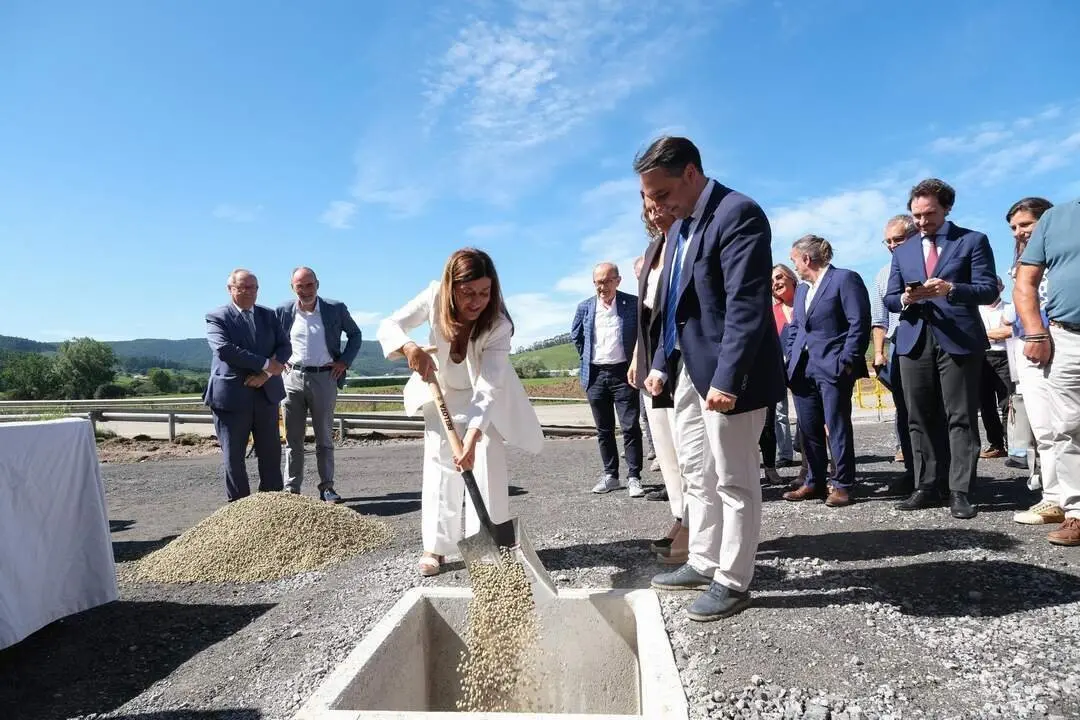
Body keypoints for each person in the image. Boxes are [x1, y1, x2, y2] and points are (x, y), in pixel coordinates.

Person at [638, 136, 785, 622]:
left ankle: (734, 580)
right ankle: (702, 560)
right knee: (697, 472)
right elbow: (676, 306)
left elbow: (746, 305)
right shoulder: (680, 228)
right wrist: (661, 363)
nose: (656, 206)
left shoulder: (738, 214)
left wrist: (728, 379)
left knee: (735, 479)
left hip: (728, 375)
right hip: (688, 371)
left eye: (660, 194)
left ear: (691, 174)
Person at [376, 248, 544, 575]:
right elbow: (390, 324)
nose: (476, 301)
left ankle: (488, 546)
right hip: (440, 389)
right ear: (451, 287)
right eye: (467, 293)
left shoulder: (499, 324)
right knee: (441, 464)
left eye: (484, 293)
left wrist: (473, 434)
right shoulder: (434, 295)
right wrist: (409, 347)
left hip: (483, 395)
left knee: (486, 458)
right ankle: (437, 548)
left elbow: (490, 385)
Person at [884, 178, 998, 520]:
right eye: (916, 215)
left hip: (959, 339)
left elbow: (988, 289)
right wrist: (906, 296)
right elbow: (890, 298)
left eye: (929, 214)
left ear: (947, 208)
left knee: (960, 416)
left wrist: (950, 288)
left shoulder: (972, 241)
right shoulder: (903, 251)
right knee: (917, 415)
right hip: (914, 338)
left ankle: (960, 489)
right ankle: (925, 484)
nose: (921, 221)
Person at [782, 235, 871, 508]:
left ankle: (842, 484)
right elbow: (797, 326)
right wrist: (791, 352)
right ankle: (814, 481)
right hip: (802, 369)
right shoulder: (801, 290)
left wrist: (846, 360)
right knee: (808, 428)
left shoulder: (845, 279)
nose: (793, 265)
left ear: (806, 258)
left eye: (794, 260)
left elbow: (859, 323)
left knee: (837, 426)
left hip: (832, 367)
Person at [1014, 195, 1080, 546]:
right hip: (1067, 337)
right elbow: (1025, 281)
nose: (1018, 232)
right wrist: (1036, 331)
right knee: (1068, 427)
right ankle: (1076, 511)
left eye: (1023, 224)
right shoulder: (1057, 220)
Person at [629, 194, 689, 565]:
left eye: (661, 205)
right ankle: (681, 517)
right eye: (650, 211)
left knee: (688, 445)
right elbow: (646, 313)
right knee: (664, 443)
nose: (656, 214)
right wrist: (639, 354)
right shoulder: (653, 250)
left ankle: (696, 525)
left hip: (681, 352)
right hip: (653, 352)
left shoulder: (687, 242)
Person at [276, 266, 363, 503]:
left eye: (309, 285)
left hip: (325, 377)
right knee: (293, 439)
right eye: (299, 286)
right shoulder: (283, 311)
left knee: (324, 437)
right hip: (292, 378)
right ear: (292, 287)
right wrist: (277, 360)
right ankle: (291, 490)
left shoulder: (335, 309)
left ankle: (327, 488)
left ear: (318, 284)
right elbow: (273, 339)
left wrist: (344, 361)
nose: (305, 290)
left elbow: (355, 335)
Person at [204, 269, 290, 502]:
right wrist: (265, 363)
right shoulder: (217, 317)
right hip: (231, 397)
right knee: (234, 457)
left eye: (253, 287)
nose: (249, 292)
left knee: (271, 454)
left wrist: (266, 374)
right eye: (242, 287)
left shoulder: (269, 316)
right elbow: (224, 349)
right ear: (230, 289)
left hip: (265, 394)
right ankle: (239, 510)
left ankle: (272, 504)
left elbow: (284, 347)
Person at [1003, 197, 1062, 525]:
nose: (1018, 232)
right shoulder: (1021, 263)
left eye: (1025, 224)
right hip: (1029, 350)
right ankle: (1054, 497)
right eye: (1013, 227)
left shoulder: (1063, 258)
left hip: (1061, 343)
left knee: (1068, 425)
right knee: (1044, 428)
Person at [571, 262, 644, 496]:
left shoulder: (632, 304)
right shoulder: (585, 307)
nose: (602, 287)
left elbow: (643, 335)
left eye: (606, 281)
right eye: (598, 282)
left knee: (630, 426)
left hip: (624, 374)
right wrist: (588, 359)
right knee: (604, 430)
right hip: (595, 376)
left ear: (618, 281)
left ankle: (634, 477)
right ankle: (611, 476)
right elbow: (577, 336)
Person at [870, 215, 917, 486]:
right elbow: (879, 319)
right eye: (887, 241)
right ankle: (913, 471)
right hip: (899, 346)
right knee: (905, 410)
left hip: (930, 345)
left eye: (897, 239)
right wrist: (879, 352)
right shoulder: (882, 274)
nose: (892, 245)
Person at [760, 263, 797, 484]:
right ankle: (779, 459)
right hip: (775, 370)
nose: (776, 283)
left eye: (780, 277)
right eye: (772, 281)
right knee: (775, 417)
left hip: (804, 368)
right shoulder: (771, 311)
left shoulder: (805, 302)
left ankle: (811, 464)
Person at [977, 276, 1014, 459]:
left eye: (995, 286)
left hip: (1005, 358)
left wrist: (982, 334)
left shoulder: (1009, 308)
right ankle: (996, 444)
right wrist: (996, 334)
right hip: (982, 359)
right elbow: (972, 333)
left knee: (1008, 403)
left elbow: (1010, 331)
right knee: (986, 405)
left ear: (1001, 287)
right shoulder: (975, 310)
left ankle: (1013, 445)